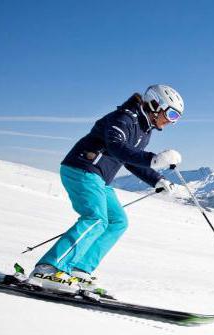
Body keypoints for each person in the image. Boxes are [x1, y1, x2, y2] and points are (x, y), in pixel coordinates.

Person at [26, 85, 185, 296]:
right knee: (96, 219)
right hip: (81, 169)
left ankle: (79, 269)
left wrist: (157, 179)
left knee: (118, 221)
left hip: (99, 179)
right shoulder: (124, 118)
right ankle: (48, 269)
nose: (172, 121)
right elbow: (116, 146)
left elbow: (130, 160)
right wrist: (152, 159)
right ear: (156, 104)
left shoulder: (144, 130)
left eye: (176, 118)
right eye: (171, 114)